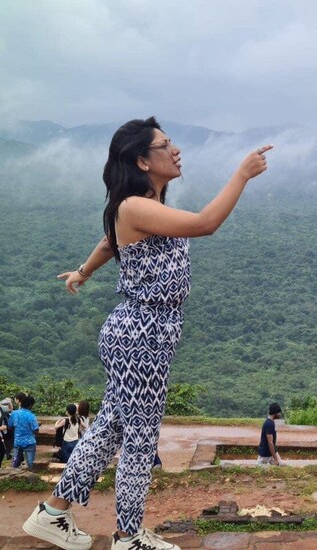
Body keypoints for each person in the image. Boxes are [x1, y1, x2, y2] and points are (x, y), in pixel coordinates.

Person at [22, 117, 272, 550]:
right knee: (139, 439)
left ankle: (52, 513)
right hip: (142, 331)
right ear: (141, 160)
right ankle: (128, 536)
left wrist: (83, 272)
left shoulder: (141, 205)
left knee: (109, 430)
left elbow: (107, 244)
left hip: (145, 330)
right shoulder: (134, 206)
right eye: (164, 145)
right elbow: (205, 223)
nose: (175, 150)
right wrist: (241, 175)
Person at [9, 394, 38, 469]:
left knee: (15, 462)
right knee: (30, 463)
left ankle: (13, 475)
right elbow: (36, 429)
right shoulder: (31, 416)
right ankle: (30, 476)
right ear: (30, 405)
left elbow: (10, 426)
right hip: (30, 442)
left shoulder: (14, 413)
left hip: (18, 441)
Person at [0, 397, 12, 465]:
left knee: (2, 451)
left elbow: (10, 409)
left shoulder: (1, 408)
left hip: (2, 435)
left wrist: (9, 402)